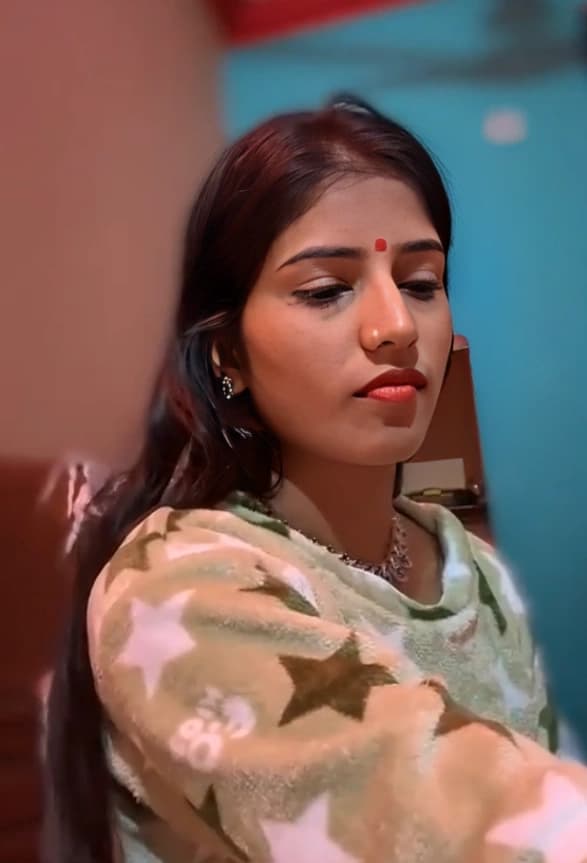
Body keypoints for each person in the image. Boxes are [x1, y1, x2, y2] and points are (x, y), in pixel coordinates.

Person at [44, 96, 587, 863]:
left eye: (421, 281)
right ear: (227, 355)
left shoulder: (477, 573)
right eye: (326, 289)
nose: (395, 325)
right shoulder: (178, 587)